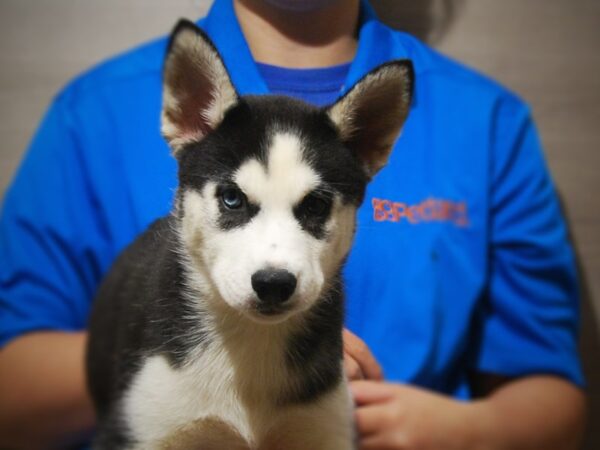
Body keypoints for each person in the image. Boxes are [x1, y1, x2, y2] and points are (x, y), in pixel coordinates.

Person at [0, 0, 587, 448]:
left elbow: (557, 401)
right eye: (233, 201)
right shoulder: (96, 111)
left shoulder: (484, 121)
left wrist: (470, 431)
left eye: (314, 206)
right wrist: (190, 372)